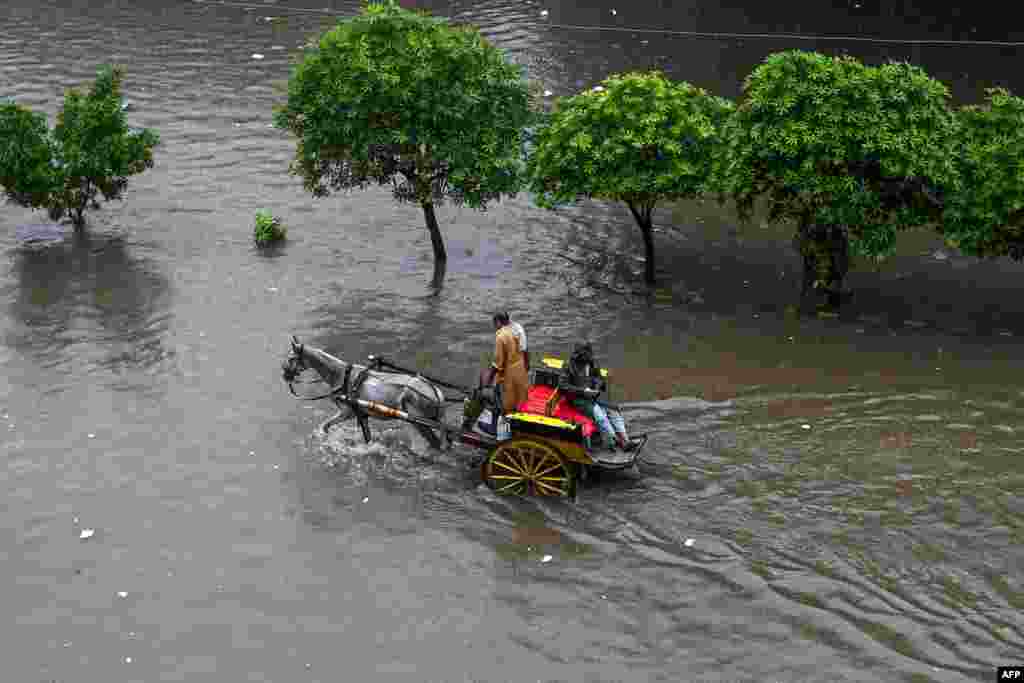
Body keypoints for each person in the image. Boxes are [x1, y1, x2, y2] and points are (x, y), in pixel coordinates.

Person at [462, 312, 529, 432]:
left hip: (507, 377)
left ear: (498, 322)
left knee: (489, 396)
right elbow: (524, 351)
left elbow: (498, 363)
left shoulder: (501, 336)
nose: (494, 327)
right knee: (502, 396)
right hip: (519, 373)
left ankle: (491, 427)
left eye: (494, 324)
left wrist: (489, 379)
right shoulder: (516, 331)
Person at [562, 343, 634, 451]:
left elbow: (600, 379)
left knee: (613, 411)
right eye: (586, 355)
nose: (589, 357)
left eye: (589, 354)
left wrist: (597, 386)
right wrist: (583, 391)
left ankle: (625, 439)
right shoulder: (568, 366)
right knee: (600, 416)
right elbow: (563, 385)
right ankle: (616, 440)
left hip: (594, 396)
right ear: (579, 355)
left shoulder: (592, 363)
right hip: (579, 399)